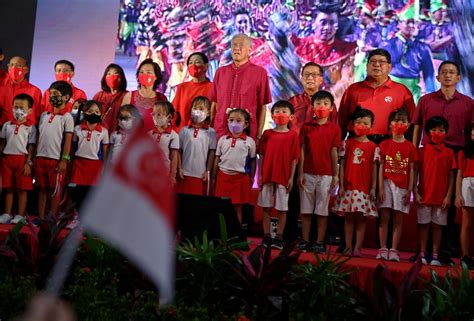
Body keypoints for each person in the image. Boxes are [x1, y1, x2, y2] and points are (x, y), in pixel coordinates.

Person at [339, 48, 416, 143]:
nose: (377, 65)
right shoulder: (353, 89)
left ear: (389, 67)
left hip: (389, 144)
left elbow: (412, 123)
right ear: (366, 66)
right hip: (356, 143)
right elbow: (341, 121)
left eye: (382, 62)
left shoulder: (402, 91)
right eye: (373, 61)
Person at [297, 91, 341, 253]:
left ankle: (319, 242)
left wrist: (335, 174)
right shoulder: (306, 127)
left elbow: (334, 152)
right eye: (318, 103)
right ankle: (305, 240)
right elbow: (301, 151)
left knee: (322, 210)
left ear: (331, 108)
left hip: (326, 174)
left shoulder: (334, 129)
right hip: (307, 172)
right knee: (306, 209)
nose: (321, 107)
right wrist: (300, 173)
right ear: (312, 106)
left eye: (325, 104)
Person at [333, 107, 378, 257]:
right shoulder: (347, 144)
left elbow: (374, 169)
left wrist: (373, 187)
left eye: (365, 123)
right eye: (358, 122)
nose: (361, 126)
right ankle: (347, 246)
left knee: (361, 219)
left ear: (371, 126)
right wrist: (341, 184)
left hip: (364, 188)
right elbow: (343, 165)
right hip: (349, 186)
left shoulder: (373, 147)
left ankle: (358, 247)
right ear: (352, 125)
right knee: (349, 218)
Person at [210, 33, 272, 139]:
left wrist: (258, 136)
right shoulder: (221, 72)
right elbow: (214, 103)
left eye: (241, 45)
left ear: (249, 50)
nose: (236, 48)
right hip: (220, 132)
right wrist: (210, 129)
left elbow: (262, 107)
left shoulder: (260, 73)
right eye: (234, 45)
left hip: (246, 135)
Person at [376, 109, 418, 262]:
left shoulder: (410, 147)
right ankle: (382, 248)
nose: (399, 124)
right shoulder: (384, 144)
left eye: (403, 122)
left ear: (408, 125)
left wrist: (410, 190)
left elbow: (412, 170)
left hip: (402, 186)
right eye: (396, 121)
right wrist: (380, 187)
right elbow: (380, 166)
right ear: (390, 124)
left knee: (398, 218)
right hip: (387, 183)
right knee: (385, 216)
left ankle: (393, 249)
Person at [257, 100, 299, 250]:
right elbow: (261, 155)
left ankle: (279, 237)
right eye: (277, 111)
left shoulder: (293, 135)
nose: (280, 114)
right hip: (267, 174)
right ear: (272, 114)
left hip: (283, 176)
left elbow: (294, 158)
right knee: (266, 207)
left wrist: (291, 178)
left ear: (291, 117)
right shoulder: (267, 134)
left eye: (284, 112)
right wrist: (260, 174)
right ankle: (267, 236)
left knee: (282, 208)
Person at [415, 116, 455, 266]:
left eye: (441, 130)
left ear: (446, 132)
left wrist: (448, 195)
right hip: (424, 195)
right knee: (424, 225)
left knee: (437, 227)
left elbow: (451, 176)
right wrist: (415, 191)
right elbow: (416, 173)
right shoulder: (422, 151)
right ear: (427, 132)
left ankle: (436, 255)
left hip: (441, 198)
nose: (437, 133)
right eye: (434, 130)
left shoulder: (449, 153)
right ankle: (423, 253)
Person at [34, 81, 74, 221]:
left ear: (66, 97)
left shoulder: (67, 117)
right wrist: (34, 157)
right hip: (40, 158)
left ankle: (52, 217)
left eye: (56, 94)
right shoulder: (44, 115)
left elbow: (68, 140)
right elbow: (39, 136)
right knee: (42, 189)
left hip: (56, 159)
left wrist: (65, 160)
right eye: (51, 94)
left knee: (55, 190)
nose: (52, 97)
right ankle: (41, 217)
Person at [412, 61, 474, 150]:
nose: (447, 75)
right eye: (444, 72)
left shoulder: (468, 103)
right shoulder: (425, 100)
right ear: (438, 78)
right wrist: (414, 151)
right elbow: (417, 127)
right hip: (429, 152)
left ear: (458, 77)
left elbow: (470, 130)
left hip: (457, 153)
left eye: (451, 72)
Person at [67, 100, 109, 229]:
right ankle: (76, 217)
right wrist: (69, 162)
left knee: (90, 193)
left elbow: (105, 152)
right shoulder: (77, 129)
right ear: (84, 113)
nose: (93, 114)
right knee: (76, 192)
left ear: (101, 114)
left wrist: (104, 168)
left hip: (95, 166)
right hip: (79, 164)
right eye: (90, 111)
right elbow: (72, 148)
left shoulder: (104, 131)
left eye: (97, 112)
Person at [213, 108, 256, 225]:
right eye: (231, 120)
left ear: (246, 124)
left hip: (239, 179)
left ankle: (236, 235)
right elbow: (217, 157)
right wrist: (213, 175)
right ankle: (219, 234)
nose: (234, 124)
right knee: (221, 208)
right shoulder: (222, 139)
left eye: (238, 120)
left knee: (237, 208)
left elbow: (253, 161)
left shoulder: (250, 142)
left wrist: (252, 177)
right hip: (222, 177)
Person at [382, 12, 435, 104]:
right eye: (408, 22)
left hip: (412, 91)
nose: (411, 25)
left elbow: (429, 74)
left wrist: (431, 95)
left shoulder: (423, 48)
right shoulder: (388, 45)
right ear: (399, 24)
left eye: (414, 22)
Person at [0, 94, 36, 224]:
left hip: (22, 160)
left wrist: (29, 162)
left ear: (30, 110)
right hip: (7, 159)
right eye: (16, 107)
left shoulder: (31, 127)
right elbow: (2, 143)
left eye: (22, 108)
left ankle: (20, 215)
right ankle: (7, 213)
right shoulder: (7, 125)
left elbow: (31, 146)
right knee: (8, 188)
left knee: (22, 189)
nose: (18, 110)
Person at [177, 96, 216, 196]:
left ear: (208, 113)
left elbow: (212, 153)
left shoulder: (211, 132)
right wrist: (180, 168)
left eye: (201, 109)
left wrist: (208, 171)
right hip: (184, 174)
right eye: (195, 108)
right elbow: (178, 151)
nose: (197, 111)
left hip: (200, 175)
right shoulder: (184, 130)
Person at [288, 62, 337, 135]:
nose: (310, 78)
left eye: (314, 75)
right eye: (306, 74)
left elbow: (335, 131)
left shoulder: (329, 104)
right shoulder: (292, 103)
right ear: (301, 79)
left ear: (321, 80)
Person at [122, 58, 167, 131]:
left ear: (156, 76)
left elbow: (164, 124)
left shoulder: (162, 98)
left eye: (148, 72)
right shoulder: (129, 96)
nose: (144, 75)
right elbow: (121, 121)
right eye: (141, 72)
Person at [172, 52, 213, 132]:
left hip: (204, 135)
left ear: (206, 66)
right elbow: (174, 112)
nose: (193, 65)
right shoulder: (182, 87)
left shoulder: (213, 88)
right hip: (183, 134)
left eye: (197, 62)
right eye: (190, 63)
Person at [0, 56, 42, 125]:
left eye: (18, 66)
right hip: (3, 130)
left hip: (26, 132)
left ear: (26, 70)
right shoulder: (2, 88)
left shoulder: (35, 91)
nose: (14, 68)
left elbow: (39, 116)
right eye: (11, 65)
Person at [455, 122, 474, 269]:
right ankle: (465, 255)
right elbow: (459, 174)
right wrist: (457, 194)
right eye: (473, 131)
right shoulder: (464, 152)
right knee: (466, 222)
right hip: (468, 184)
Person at [149, 101, 180, 185]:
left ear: (169, 117)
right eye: (153, 114)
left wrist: (172, 176)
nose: (155, 117)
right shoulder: (149, 134)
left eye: (159, 115)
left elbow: (174, 157)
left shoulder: (174, 135)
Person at [92, 63, 128, 134]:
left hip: (119, 137)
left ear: (122, 77)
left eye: (115, 73)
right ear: (104, 78)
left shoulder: (127, 96)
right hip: (99, 135)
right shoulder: (99, 95)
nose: (112, 76)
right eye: (108, 74)